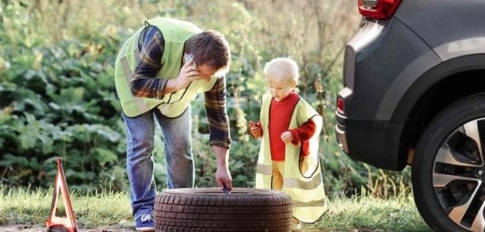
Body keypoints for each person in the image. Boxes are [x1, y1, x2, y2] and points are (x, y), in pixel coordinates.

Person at [114, 17, 233, 231]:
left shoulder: (214, 71)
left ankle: (181, 206)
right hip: (135, 81)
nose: (207, 81)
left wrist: (222, 166)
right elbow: (138, 85)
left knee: (181, 147)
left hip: (175, 96)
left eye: (211, 76)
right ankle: (144, 210)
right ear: (189, 59)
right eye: (204, 75)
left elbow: (217, 116)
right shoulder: (159, 39)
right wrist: (177, 83)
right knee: (142, 144)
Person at [248, 57, 326, 229]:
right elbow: (265, 123)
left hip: (290, 161)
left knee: (290, 193)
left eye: (279, 88)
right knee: (274, 192)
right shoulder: (268, 100)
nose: (274, 91)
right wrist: (257, 130)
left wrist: (294, 133)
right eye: (271, 86)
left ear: (293, 84)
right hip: (272, 160)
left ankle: (291, 222)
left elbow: (312, 125)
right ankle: (277, 221)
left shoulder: (298, 104)